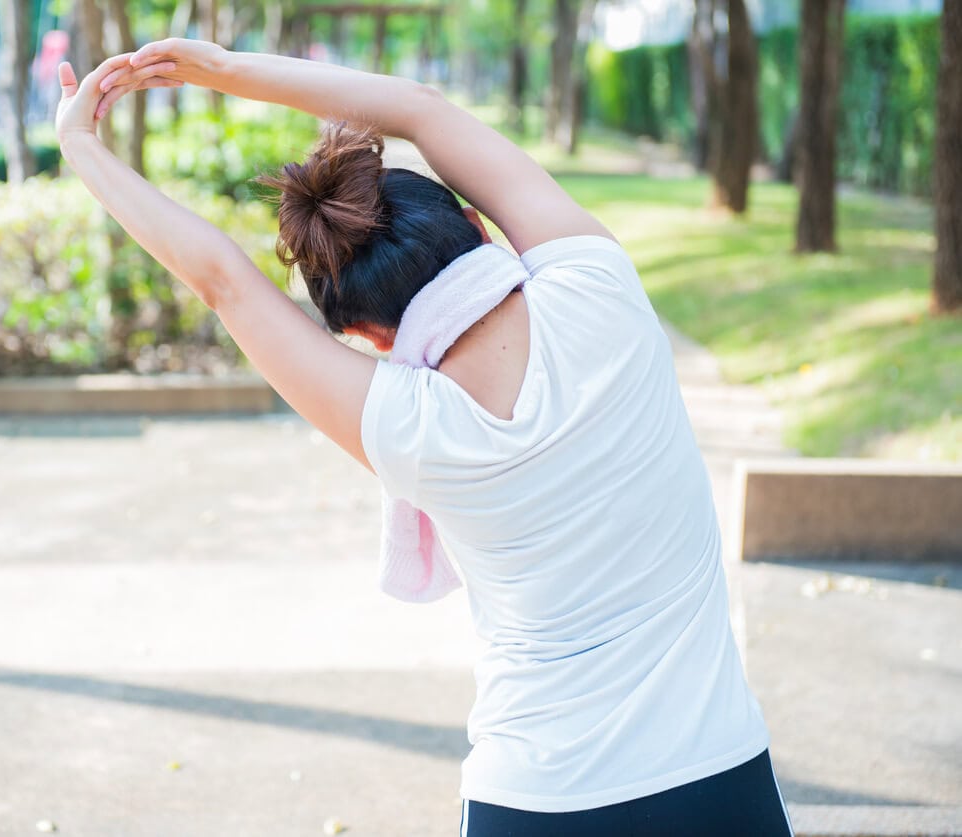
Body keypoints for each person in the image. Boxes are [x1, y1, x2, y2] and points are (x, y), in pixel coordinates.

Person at [54, 40, 794, 837]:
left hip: (536, 798)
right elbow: (419, 110)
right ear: (474, 220)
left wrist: (79, 144)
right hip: (719, 774)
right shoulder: (598, 288)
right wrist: (222, 69)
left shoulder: (406, 424)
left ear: (370, 335)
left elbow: (225, 281)